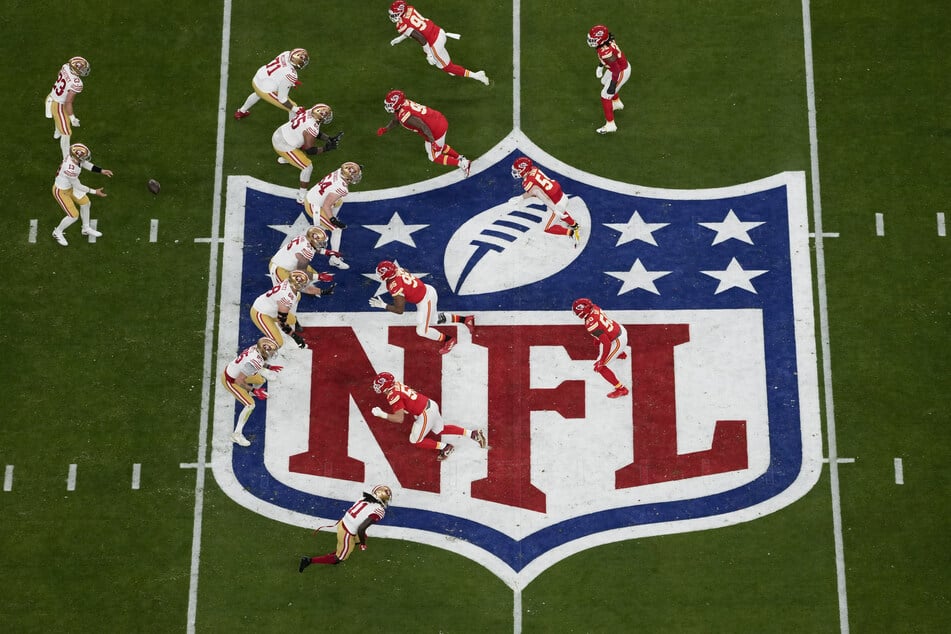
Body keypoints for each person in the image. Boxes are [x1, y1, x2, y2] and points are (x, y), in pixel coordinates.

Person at [370, 372, 487, 461]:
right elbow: (410, 394)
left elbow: (399, 419)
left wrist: (382, 414)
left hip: (425, 413)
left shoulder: (392, 395)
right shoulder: (397, 384)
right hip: (430, 404)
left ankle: (446, 447)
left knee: (415, 440)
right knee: (440, 429)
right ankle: (473, 434)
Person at [369, 260, 474, 355]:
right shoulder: (398, 270)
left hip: (425, 300)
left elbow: (399, 310)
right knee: (434, 319)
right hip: (427, 290)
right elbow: (406, 271)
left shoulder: (395, 286)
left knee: (422, 331)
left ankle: (449, 340)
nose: (378, 274)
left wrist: (383, 305)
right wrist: (408, 291)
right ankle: (466, 320)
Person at [387, 1, 489, 85]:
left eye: (395, 14)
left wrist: (429, 55)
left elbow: (421, 38)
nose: (393, 16)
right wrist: (400, 38)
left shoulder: (401, 25)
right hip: (439, 32)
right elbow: (415, 28)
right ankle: (448, 66)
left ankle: (477, 75)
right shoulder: (410, 8)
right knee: (442, 62)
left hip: (434, 43)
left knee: (447, 67)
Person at [298, 485, 392, 571]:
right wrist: (363, 544)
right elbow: (361, 529)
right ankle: (309, 561)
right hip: (348, 533)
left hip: (343, 522)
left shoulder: (364, 497)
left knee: (361, 538)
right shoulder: (379, 511)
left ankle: (340, 551)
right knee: (338, 559)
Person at [376, 90, 470, 177]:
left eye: (390, 104)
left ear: (397, 103)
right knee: (439, 147)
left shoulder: (405, 115)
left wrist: (433, 142)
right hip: (438, 119)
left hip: (435, 129)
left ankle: (463, 164)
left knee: (434, 156)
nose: (388, 106)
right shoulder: (403, 104)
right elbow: (396, 119)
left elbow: (423, 126)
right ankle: (460, 158)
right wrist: (386, 129)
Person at [271, 104, 342, 203]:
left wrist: (329, 139)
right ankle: (302, 196)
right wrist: (326, 148)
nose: (327, 116)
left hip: (280, 133)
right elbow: (310, 150)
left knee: (299, 139)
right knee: (307, 167)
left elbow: (313, 131)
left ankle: (286, 158)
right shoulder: (312, 126)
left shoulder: (311, 112)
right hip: (283, 145)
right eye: (325, 115)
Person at [251, 270, 334, 350]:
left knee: (292, 320)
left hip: (272, 308)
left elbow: (305, 288)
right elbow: (282, 323)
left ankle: (275, 328)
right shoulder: (286, 299)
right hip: (261, 313)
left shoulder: (290, 283)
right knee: (277, 342)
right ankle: (253, 356)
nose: (305, 285)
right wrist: (296, 337)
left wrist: (323, 292)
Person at [222, 337, 282, 447]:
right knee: (250, 405)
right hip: (231, 380)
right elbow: (238, 381)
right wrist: (255, 389)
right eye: (272, 351)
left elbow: (257, 361)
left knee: (260, 379)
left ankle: (251, 393)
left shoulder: (256, 348)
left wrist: (269, 367)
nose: (274, 353)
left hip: (237, 372)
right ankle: (236, 434)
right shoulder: (254, 362)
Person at [51, 143, 113, 247]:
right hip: (61, 191)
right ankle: (57, 232)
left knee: (86, 203)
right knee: (73, 216)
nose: (85, 159)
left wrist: (101, 171)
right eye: (83, 157)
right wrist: (94, 191)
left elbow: (85, 164)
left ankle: (86, 228)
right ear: (75, 157)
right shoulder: (70, 168)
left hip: (69, 187)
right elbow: (78, 186)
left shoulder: (74, 158)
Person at [302, 162, 363, 268]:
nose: (356, 176)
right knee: (337, 230)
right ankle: (334, 259)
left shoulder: (339, 171)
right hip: (314, 207)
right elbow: (326, 205)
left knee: (339, 201)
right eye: (354, 175)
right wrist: (333, 220)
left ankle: (325, 223)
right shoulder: (342, 188)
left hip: (313, 196)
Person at [510, 156, 581, 245]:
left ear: (524, 169)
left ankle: (572, 233)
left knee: (548, 228)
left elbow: (535, 193)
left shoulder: (527, 182)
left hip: (557, 204)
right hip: (561, 195)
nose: (515, 172)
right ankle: (574, 225)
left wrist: (521, 198)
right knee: (560, 211)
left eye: (517, 170)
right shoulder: (534, 169)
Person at [572, 298, 630, 399]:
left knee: (601, 368)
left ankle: (621, 389)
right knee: (598, 342)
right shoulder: (594, 307)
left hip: (617, 341)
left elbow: (606, 343)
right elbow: (603, 326)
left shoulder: (591, 324)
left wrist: (602, 361)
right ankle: (619, 353)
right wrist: (597, 337)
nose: (577, 313)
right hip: (619, 329)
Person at [234, 48, 309, 119]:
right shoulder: (291, 75)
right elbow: (282, 99)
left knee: (257, 93)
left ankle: (241, 111)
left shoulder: (286, 54)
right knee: (293, 106)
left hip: (257, 78)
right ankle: (292, 129)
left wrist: (288, 81)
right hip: (264, 89)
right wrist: (295, 109)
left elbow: (281, 70)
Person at [587, 24, 631, 134]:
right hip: (617, 67)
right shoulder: (608, 40)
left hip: (621, 71)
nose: (591, 41)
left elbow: (615, 69)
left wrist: (612, 85)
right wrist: (600, 66)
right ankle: (616, 103)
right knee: (603, 81)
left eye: (594, 39)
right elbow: (611, 59)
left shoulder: (605, 51)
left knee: (605, 95)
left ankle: (610, 125)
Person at [46, 56, 89, 158]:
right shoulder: (77, 83)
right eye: (81, 69)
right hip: (58, 105)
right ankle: (66, 157)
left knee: (61, 121)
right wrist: (72, 118)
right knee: (66, 132)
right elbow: (68, 102)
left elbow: (59, 75)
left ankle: (57, 133)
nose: (84, 70)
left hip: (51, 96)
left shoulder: (65, 66)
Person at [269, 227, 344, 286]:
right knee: (291, 289)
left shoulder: (305, 238)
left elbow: (313, 247)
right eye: (320, 242)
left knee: (311, 276)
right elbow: (301, 272)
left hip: (287, 260)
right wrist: (319, 277)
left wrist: (327, 252)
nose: (322, 244)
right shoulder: (306, 252)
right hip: (279, 268)